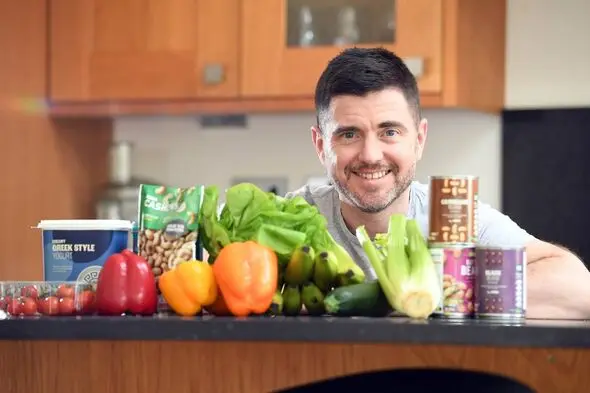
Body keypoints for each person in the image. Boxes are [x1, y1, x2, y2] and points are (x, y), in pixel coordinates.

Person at [286, 47, 590, 320]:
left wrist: (431, 293)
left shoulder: (453, 215)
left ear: (419, 140)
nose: (371, 155)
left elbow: (578, 289)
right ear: (320, 144)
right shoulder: (290, 220)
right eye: (349, 134)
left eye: (389, 132)